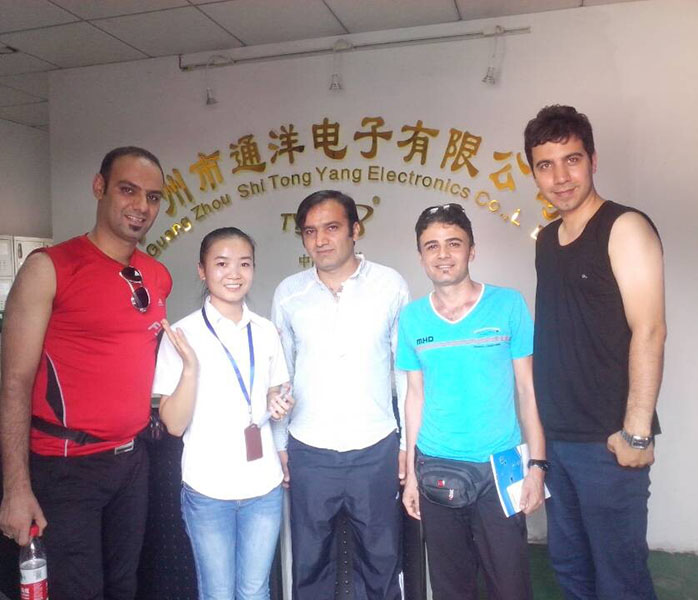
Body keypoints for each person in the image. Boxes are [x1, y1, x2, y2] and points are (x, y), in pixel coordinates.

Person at [0, 147, 172, 599]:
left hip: (132, 461)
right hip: (67, 466)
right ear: (99, 187)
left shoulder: (157, 276)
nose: (141, 206)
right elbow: (14, 383)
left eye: (153, 197)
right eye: (128, 190)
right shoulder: (50, 268)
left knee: (124, 586)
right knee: (79, 592)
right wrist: (16, 488)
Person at [525, 105, 666, 599]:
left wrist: (636, 432)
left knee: (620, 578)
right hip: (559, 438)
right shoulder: (546, 240)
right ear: (534, 172)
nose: (560, 177)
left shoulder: (624, 227)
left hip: (609, 441)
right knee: (570, 568)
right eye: (546, 165)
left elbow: (650, 329)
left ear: (593, 160)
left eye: (572, 159)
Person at [398, 203, 546, 600]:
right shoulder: (412, 318)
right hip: (437, 465)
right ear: (421, 256)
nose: (443, 254)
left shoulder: (508, 304)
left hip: (503, 465)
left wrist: (537, 467)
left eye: (454, 243)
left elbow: (528, 390)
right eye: (431, 246)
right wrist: (411, 476)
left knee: (511, 586)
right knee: (451, 587)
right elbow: (415, 396)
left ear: (472, 250)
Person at [271, 190, 409, 600]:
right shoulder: (289, 293)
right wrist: (280, 444)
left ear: (355, 229)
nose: (321, 240)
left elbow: (405, 374)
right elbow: (281, 376)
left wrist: (406, 443)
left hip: (376, 446)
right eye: (310, 231)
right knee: (309, 563)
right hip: (309, 449)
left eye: (331, 228)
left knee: (382, 559)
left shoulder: (389, 285)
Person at [152, 227, 293, 600]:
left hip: (263, 486)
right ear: (202, 270)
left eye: (244, 264)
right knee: (217, 593)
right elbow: (174, 424)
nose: (234, 273)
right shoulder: (181, 335)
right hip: (208, 489)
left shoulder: (265, 331)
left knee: (255, 590)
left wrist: (279, 402)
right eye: (221, 263)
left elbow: (275, 391)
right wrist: (190, 369)